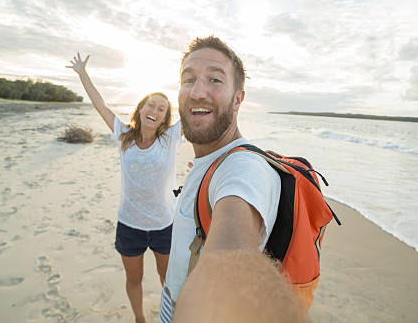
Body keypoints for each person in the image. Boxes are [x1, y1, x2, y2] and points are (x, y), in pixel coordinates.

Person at [159, 36, 307, 322]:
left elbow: (228, 260)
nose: (197, 91)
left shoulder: (243, 168)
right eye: (188, 79)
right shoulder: (209, 161)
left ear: (238, 98)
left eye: (215, 79)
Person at [67, 53, 183, 323]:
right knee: (135, 279)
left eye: (161, 109)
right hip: (129, 225)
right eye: (150, 106)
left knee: (168, 280)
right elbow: (100, 105)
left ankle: (172, 317)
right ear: (140, 109)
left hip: (164, 225)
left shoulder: (170, 139)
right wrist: (82, 73)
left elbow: (193, 111)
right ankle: (139, 319)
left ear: (165, 118)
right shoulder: (124, 136)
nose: (155, 111)